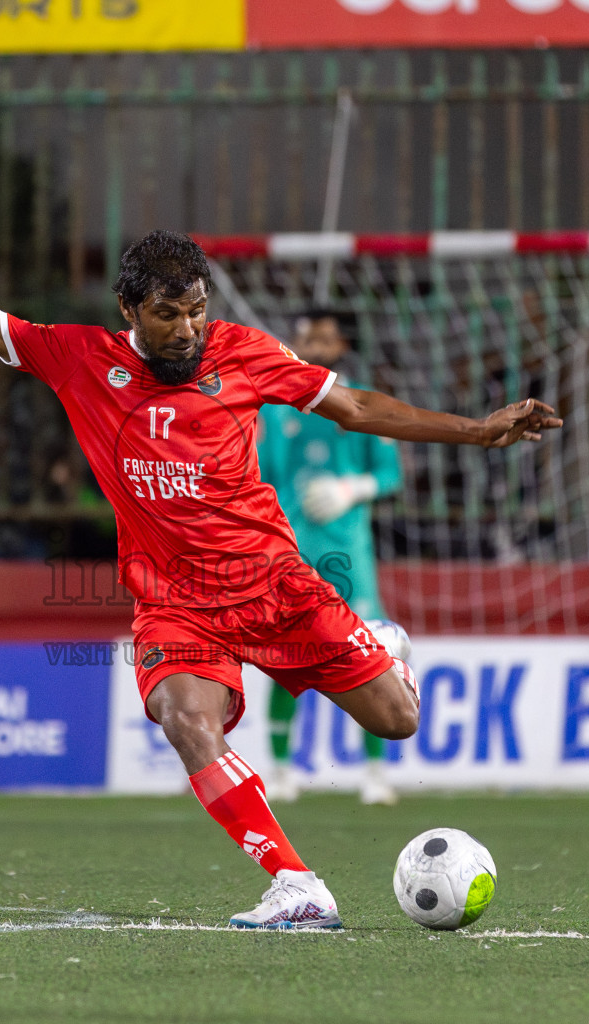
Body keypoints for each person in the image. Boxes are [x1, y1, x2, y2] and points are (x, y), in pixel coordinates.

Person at [0, 175, 561, 930]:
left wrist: (477, 428)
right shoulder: (78, 360)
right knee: (184, 719)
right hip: (175, 603)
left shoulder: (246, 354)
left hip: (274, 584)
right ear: (129, 311)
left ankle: (385, 650)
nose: (187, 330)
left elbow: (358, 408)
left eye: (197, 311)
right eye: (168, 315)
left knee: (397, 721)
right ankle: (297, 884)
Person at [257, 311, 404, 805]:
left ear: (343, 343)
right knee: (287, 659)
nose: (314, 344)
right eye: (306, 335)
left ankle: (376, 772)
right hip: (291, 552)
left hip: (349, 552)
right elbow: (261, 477)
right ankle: (279, 769)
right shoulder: (276, 409)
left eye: (324, 336)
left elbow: (390, 474)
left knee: (369, 654)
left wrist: (352, 487)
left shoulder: (361, 403)